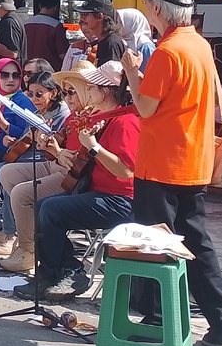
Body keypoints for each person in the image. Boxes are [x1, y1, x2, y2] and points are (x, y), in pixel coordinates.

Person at [122, 0, 222, 346]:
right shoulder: (199, 45)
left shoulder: (168, 51)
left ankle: (159, 319)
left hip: (161, 164)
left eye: (146, 2)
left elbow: (145, 107)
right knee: (197, 243)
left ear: (157, 8)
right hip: (193, 159)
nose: (144, 8)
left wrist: (130, 71)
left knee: (156, 244)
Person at [15, 63, 139, 302]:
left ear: (107, 90)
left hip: (120, 200)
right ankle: (59, 271)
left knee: (52, 209)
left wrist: (94, 147)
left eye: (92, 87)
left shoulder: (125, 122)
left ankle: (64, 273)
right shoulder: (104, 118)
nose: (88, 92)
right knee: (44, 206)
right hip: (97, 190)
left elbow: (125, 171)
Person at [0, 67, 69, 252]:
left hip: (41, 161)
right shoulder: (38, 111)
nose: (33, 99)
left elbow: (55, 145)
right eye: (30, 94)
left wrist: (41, 140)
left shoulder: (60, 113)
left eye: (39, 94)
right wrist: (11, 138)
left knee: (13, 183)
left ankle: (11, 234)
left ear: (54, 92)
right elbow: (24, 139)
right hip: (21, 157)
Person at [73, 0, 127, 66]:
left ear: (99, 16)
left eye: (85, 14)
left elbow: (112, 76)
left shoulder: (111, 43)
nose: (82, 18)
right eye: (81, 14)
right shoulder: (104, 40)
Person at [26, 0, 70, 69]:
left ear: (40, 6)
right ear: (55, 8)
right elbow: (63, 54)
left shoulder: (26, 24)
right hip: (50, 69)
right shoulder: (56, 25)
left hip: (29, 68)